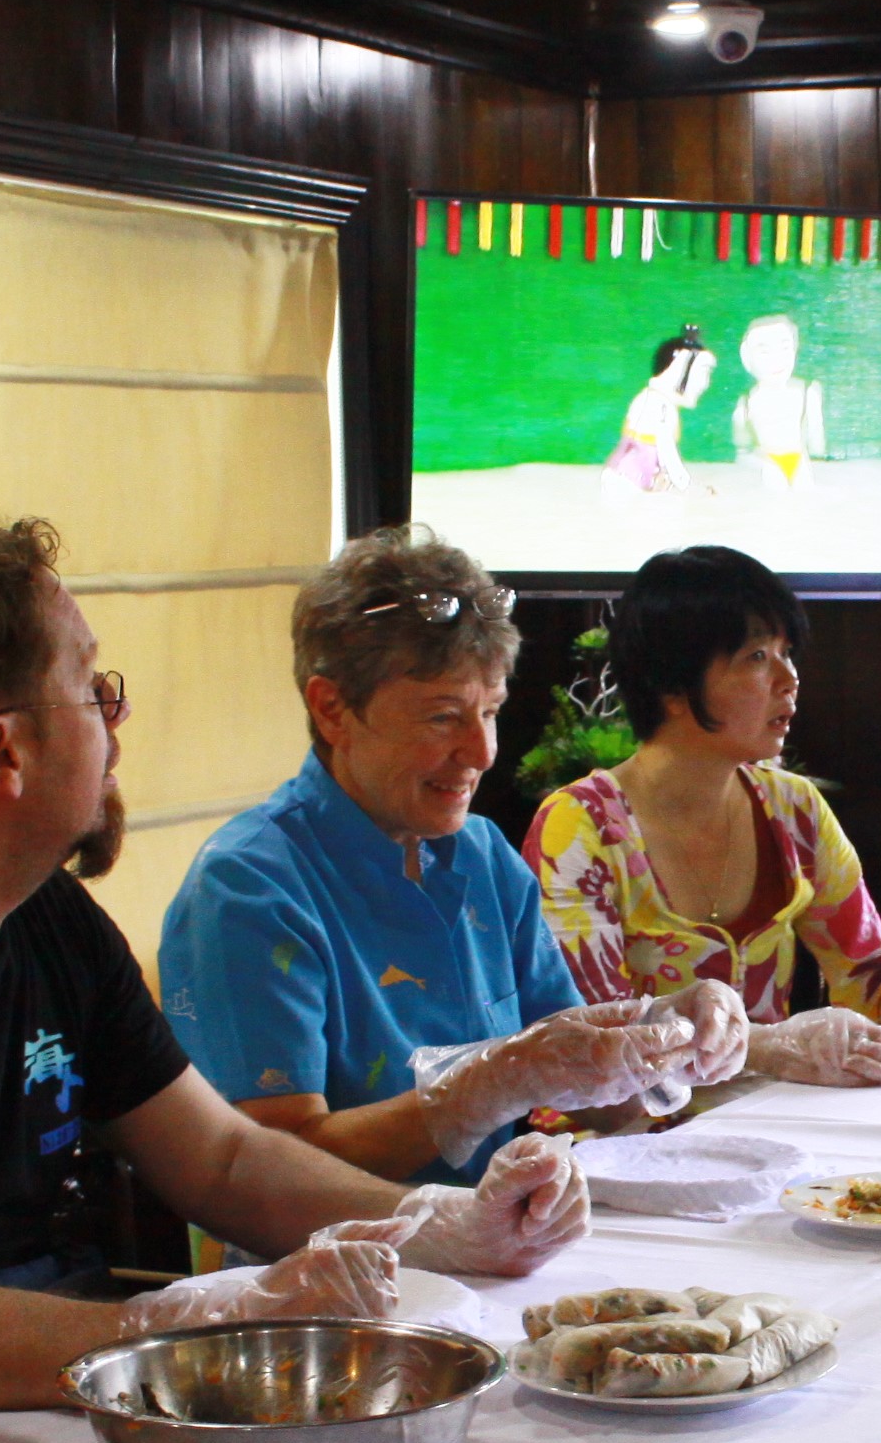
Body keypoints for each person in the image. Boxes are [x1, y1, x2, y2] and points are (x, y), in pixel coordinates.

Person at [0, 511, 591, 1443]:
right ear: (3, 753)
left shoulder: (45, 913)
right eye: (91, 688)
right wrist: (180, 1327)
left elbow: (224, 1160)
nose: (118, 721)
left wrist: (433, 1227)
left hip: (69, 1415)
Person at [161, 526, 748, 1183]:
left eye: (490, 711)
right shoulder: (247, 889)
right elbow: (269, 1173)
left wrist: (673, 1040)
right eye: (443, 717)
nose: (482, 752)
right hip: (337, 1270)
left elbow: (583, 1082)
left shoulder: (482, 855)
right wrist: (487, 1088)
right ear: (332, 709)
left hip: (502, 1247)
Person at [524, 546, 881, 1087]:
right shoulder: (578, 828)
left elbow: (870, 972)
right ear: (673, 686)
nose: (789, 678)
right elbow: (595, 1042)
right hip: (619, 1142)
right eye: (757, 658)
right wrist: (768, 1047)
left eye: (787, 654)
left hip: (771, 1123)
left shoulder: (794, 809)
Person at [606, 327, 712, 496]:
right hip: (632, 480)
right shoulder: (659, 405)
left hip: (634, 477)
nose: (705, 384)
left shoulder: (652, 398)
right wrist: (685, 486)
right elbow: (666, 448)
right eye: (702, 373)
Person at [729, 314, 824, 487]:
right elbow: (741, 450)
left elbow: (817, 443)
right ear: (746, 357)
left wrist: (818, 463)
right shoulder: (747, 403)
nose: (777, 359)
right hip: (767, 462)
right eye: (764, 351)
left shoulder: (807, 393)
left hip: (800, 461)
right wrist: (762, 464)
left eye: (785, 348)